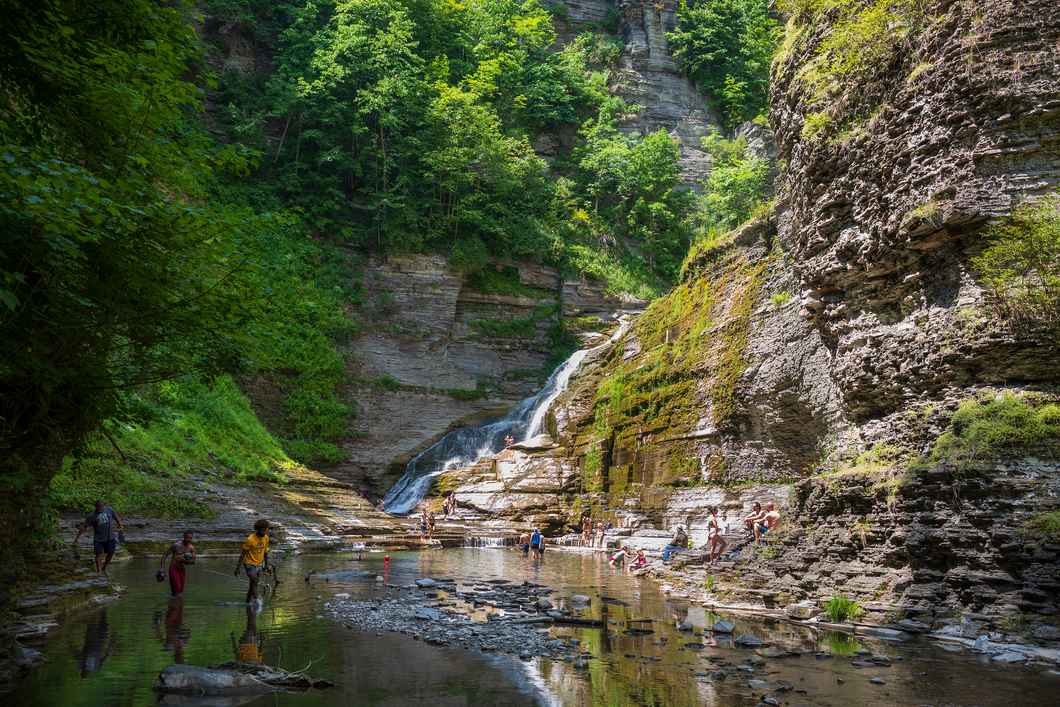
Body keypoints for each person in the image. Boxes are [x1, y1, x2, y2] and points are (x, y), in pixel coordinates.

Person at [73, 500, 124, 575]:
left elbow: (116, 517)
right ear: (95, 506)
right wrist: (77, 538)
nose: (100, 508)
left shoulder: (109, 510)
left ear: (103, 505)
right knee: (98, 554)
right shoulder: (92, 515)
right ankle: (99, 571)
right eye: (98, 507)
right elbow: (84, 526)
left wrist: (121, 526)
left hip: (110, 537)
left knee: (110, 553)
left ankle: (104, 567)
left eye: (101, 506)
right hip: (98, 539)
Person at [235, 519, 270, 608]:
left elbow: (265, 551)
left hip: (259, 564)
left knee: (253, 584)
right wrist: (238, 567)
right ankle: (257, 602)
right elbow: (243, 553)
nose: (264, 532)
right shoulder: (250, 539)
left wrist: (266, 564)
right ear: (257, 529)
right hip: (249, 563)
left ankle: (247, 603)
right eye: (263, 530)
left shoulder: (266, 538)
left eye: (265, 530)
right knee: (254, 580)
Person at [160, 530, 197, 598]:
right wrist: (162, 568)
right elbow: (165, 555)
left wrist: (184, 560)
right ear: (184, 537)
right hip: (173, 568)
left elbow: (193, 561)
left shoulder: (191, 548)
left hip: (182, 569)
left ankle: (174, 606)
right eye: (188, 537)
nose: (190, 539)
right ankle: (179, 604)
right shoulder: (176, 545)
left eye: (191, 538)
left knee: (177, 591)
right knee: (177, 588)